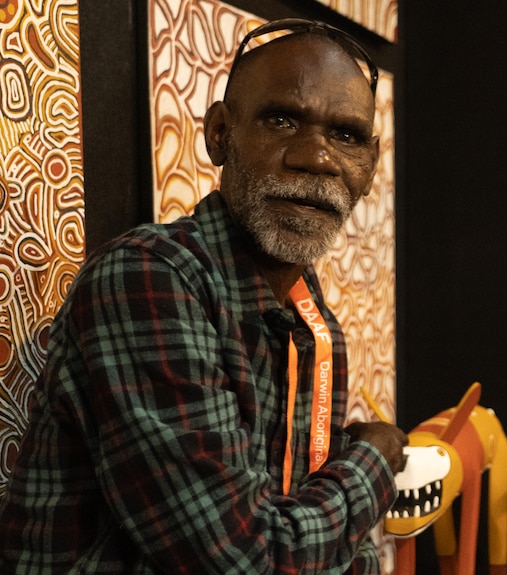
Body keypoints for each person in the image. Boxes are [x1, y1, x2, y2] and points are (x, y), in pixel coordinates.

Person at [0, 19, 408, 574]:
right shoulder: (149, 279)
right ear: (219, 133)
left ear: (370, 167)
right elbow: (241, 561)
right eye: (282, 119)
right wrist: (374, 462)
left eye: (347, 136)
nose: (316, 158)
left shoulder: (315, 323)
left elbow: (316, 538)